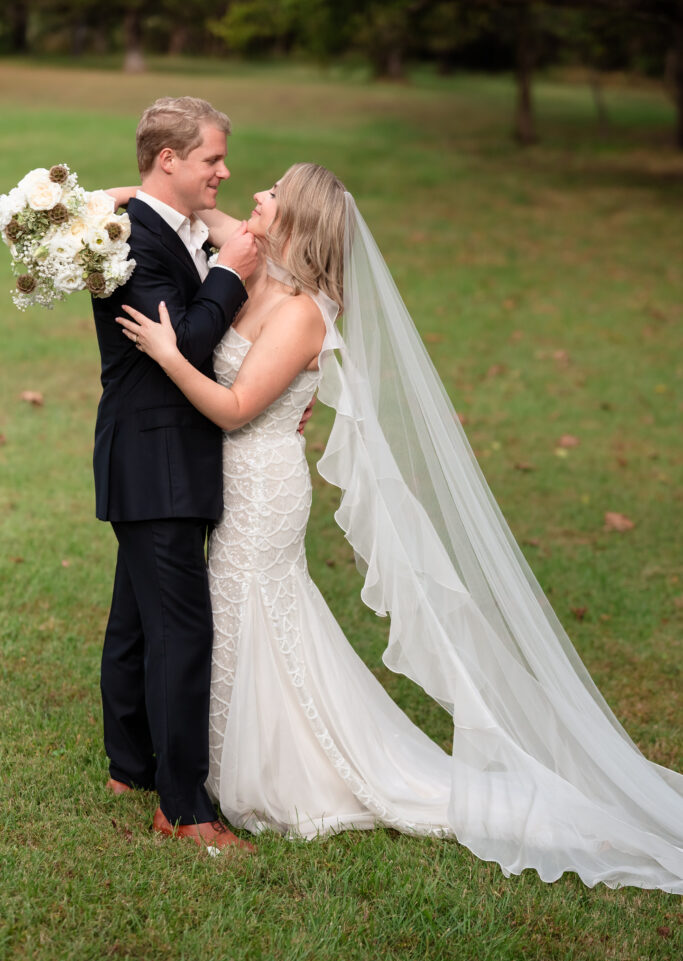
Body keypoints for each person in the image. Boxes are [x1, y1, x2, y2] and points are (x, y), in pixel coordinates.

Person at [117, 163, 683, 892]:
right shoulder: (262, 263)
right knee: (232, 615)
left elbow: (234, 410)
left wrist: (167, 354)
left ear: (293, 222)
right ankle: (215, 758)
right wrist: (107, 200)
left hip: (262, 484)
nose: (252, 197)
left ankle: (275, 768)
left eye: (271, 196)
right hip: (229, 478)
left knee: (249, 607)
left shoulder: (301, 312)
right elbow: (183, 209)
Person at [92, 96, 260, 853]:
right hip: (159, 456)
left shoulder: (157, 223)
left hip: (154, 454)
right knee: (181, 631)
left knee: (136, 618)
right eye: (211, 159)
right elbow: (182, 345)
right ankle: (185, 807)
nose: (223, 171)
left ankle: (128, 763)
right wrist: (229, 274)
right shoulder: (134, 238)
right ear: (169, 160)